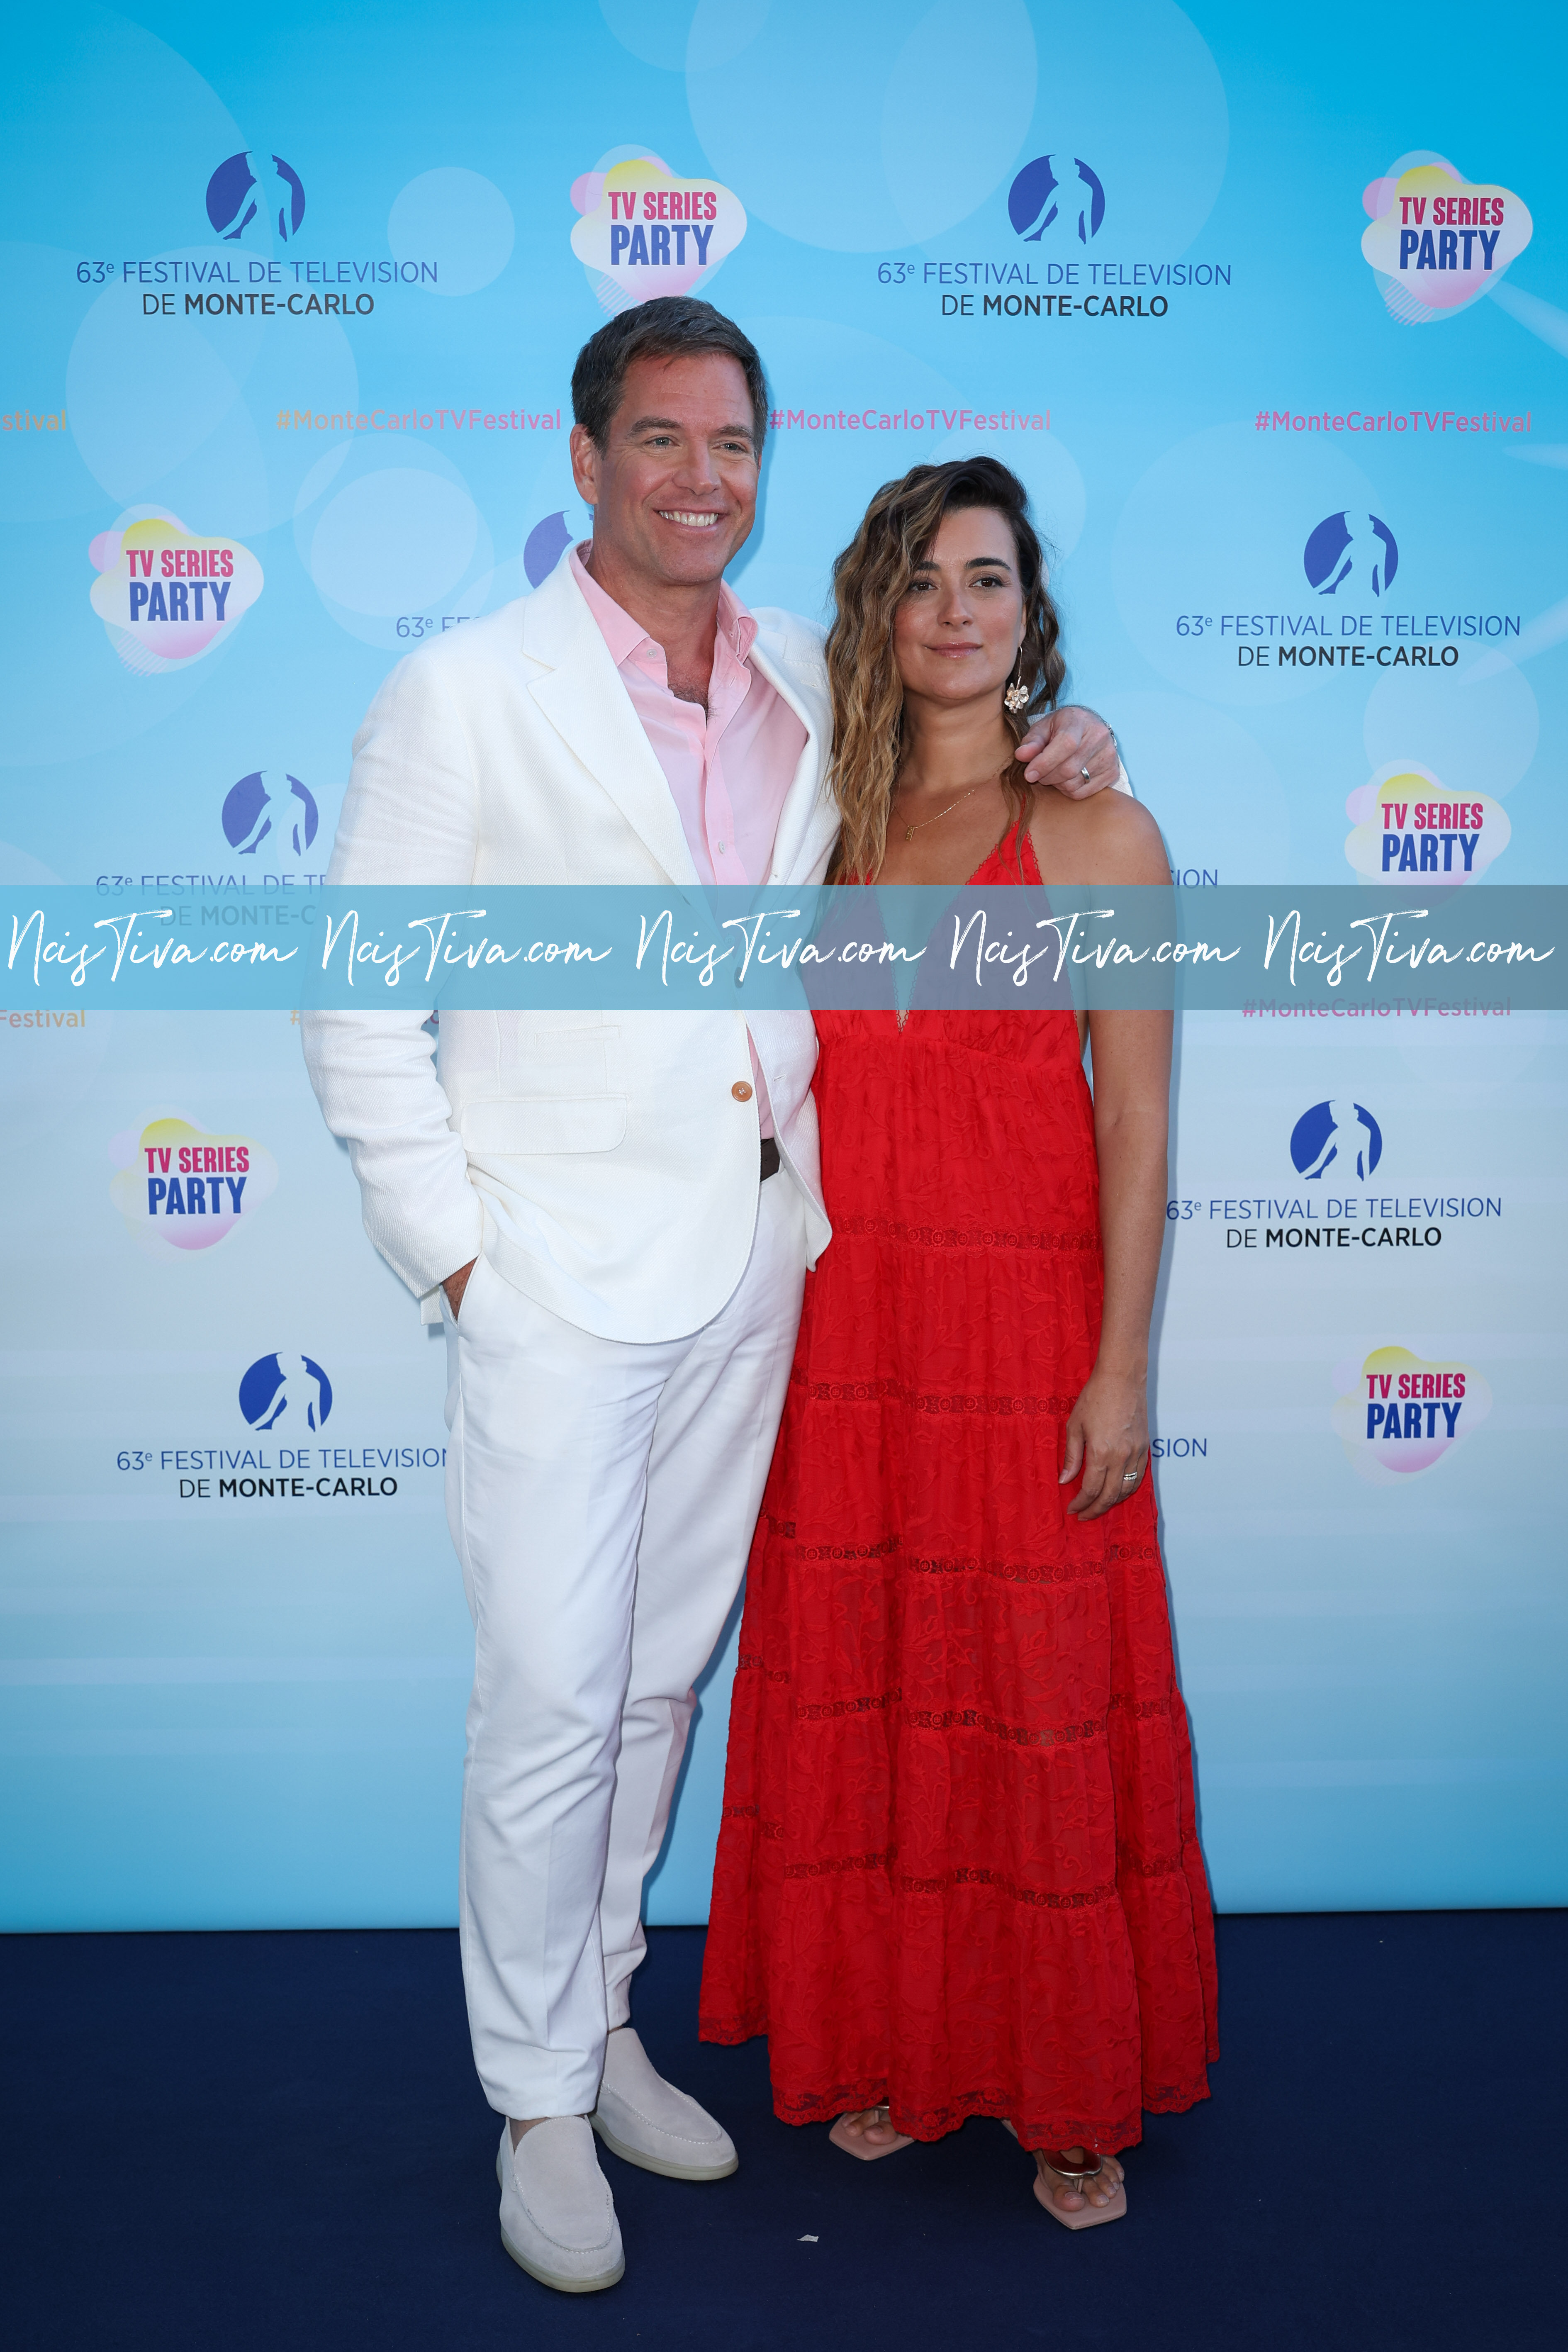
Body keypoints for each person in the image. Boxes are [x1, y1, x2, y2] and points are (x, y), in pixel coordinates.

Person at [301, 300, 1122, 2294]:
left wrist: (1069, 743)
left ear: (763, 465)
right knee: (555, 1698)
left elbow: (952, 786)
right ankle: (532, 2097)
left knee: (660, 1683)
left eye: (732, 444)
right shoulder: (464, 693)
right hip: (557, 1286)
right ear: (583, 458)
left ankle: (602, 2018)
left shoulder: (786, 680)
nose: (700, 478)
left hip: (762, 1259)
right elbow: (356, 1000)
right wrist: (469, 1263)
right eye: (659, 440)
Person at [700, 457, 1217, 2228]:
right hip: (849, 1331)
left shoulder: (1099, 832)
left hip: (1025, 1328)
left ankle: (1070, 2088)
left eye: (985, 579)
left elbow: (1141, 1126)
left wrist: (1122, 1365)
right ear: (878, 605)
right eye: (921, 578)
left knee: (1040, 1697)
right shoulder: (817, 814)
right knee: (887, 1679)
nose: (953, 610)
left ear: (1028, 610)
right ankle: (904, 2049)